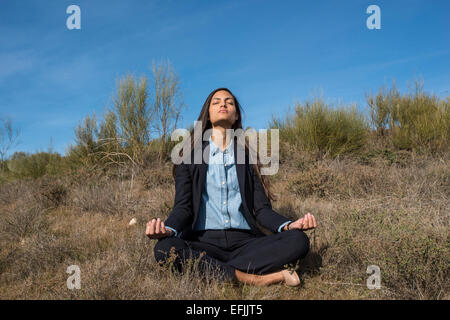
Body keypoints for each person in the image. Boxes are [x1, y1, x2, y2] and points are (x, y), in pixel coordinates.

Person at [146, 88, 317, 286]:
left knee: (298, 241)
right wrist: (167, 230)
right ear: (208, 114)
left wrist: (289, 225)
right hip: (203, 241)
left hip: (245, 243)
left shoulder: (249, 158)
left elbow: (262, 211)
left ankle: (215, 269)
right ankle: (255, 278)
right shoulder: (189, 158)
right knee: (164, 248)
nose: (223, 104)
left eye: (229, 102)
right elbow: (183, 208)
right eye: (216, 102)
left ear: (236, 115)